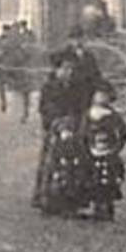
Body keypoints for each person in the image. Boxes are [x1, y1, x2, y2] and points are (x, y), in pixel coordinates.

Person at [33, 51, 82, 212]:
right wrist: (57, 120)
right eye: (65, 69)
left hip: (72, 127)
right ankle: (43, 195)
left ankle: (70, 194)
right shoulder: (49, 87)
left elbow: (78, 107)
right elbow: (44, 108)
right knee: (49, 161)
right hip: (53, 127)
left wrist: (75, 119)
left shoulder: (75, 87)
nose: (68, 72)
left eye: (71, 69)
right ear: (56, 70)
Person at [83, 82, 126, 221]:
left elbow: (123, 133)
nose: (101, 98)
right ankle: (96, 206)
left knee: (108, 179)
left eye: (104, 95)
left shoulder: (113, 116)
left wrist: (116, 148)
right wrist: (86, 147)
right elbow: (83, 133)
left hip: (108, 152)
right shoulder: (88, 114)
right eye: (99, 95)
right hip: (92, 151)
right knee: (93, 178)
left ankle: (107, 206)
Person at [42, 115, 91, 217]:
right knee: (57, 187)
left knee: (73, 188)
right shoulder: (55, 147)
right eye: (64, 132)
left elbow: (82, 158)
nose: (67, 135)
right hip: (60, 171)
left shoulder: (77, 145)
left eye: (69, 132)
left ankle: (72, 207)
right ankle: (53, 206)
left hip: (72, 171)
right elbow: (51, 163)